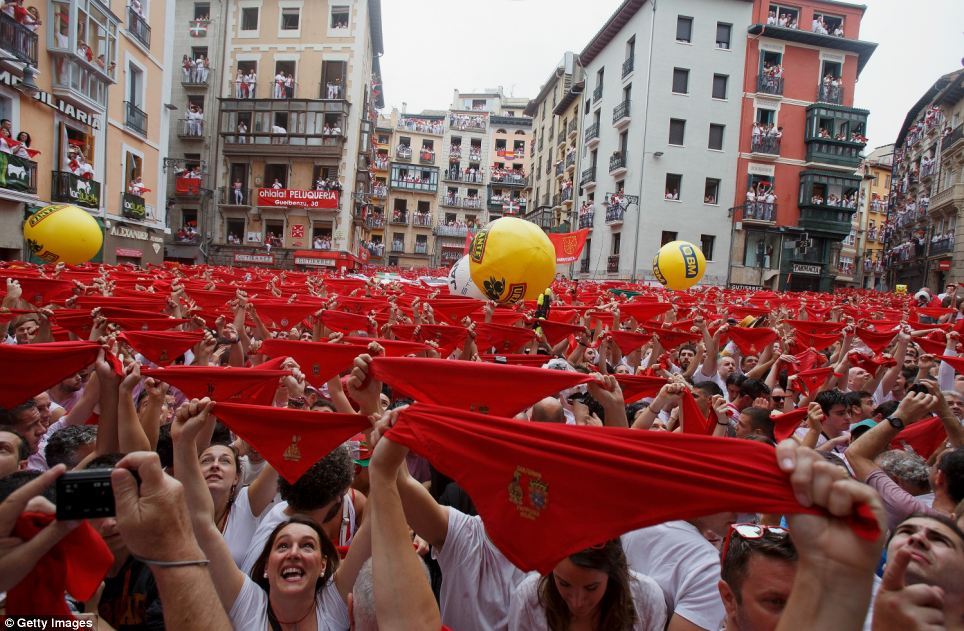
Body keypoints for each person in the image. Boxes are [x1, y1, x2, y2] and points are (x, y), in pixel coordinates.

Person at [172, 398, 369, 630]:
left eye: (307, 546)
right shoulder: (248, 607)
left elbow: (375, 525)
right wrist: (183, 442)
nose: (294, 553)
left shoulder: (333, 609)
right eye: (282, 546)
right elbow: (201, 523)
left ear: (325, 564)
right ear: (265, 564)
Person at [508, 539, 667, 630]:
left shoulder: (647, 600)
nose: (577, 602)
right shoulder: (528, 600)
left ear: (613, 574)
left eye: (591, 587)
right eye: (564, 584)